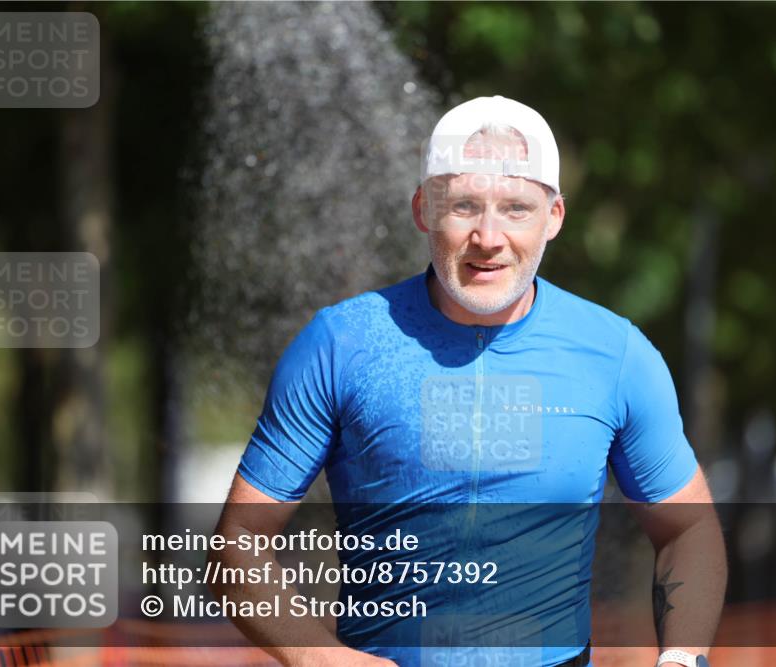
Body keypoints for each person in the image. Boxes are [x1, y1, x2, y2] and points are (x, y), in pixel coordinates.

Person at [210, 95, 726, 667]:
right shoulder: (340, 344)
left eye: (516, 209)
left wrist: (681, 658)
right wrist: (321, 660)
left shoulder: (616, 354)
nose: (488, 236)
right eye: (463, 206)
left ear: (554, 217)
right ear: (423, 210)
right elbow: (238, 542)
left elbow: (688, 531)